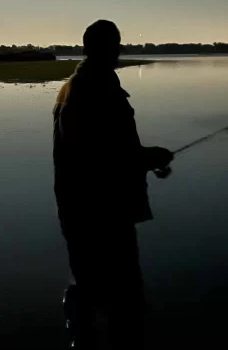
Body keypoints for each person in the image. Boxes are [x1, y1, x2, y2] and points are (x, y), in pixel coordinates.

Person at [53, 20, 174, 348]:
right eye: (112, 45)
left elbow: (114, 149)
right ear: (93, 48)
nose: (117, 51)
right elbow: (91, 158)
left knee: (102, 293)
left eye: (118, 44)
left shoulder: (99, 84)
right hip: (93, 214)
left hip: (105, 209)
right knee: (110, 296)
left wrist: (145, 161)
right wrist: (146, 158)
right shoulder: (83, 91)